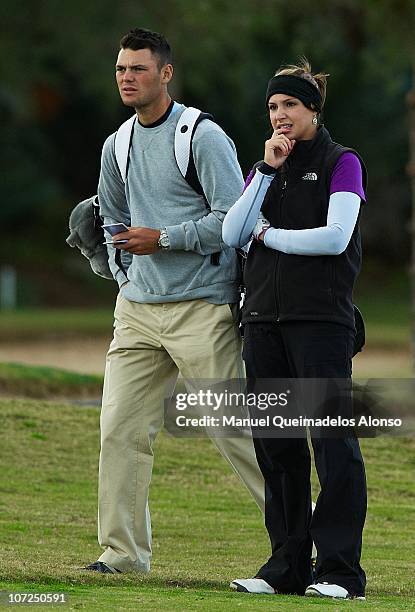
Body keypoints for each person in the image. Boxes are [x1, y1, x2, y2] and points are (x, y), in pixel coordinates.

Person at [84, 27, 265, 574]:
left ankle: (305, 538)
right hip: (137, 309)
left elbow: (233, 220)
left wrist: (161, 239)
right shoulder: (116, 143)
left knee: (235, 432)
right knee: (119, 430)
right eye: (120, 69)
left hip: (201, 307)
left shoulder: (202, 137)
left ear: (165, 74)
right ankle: (122, 556)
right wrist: (124, 272)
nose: (126, 77)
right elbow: (111, 220)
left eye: (138, 68)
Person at [222, 59, 367, 600]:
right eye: (273, 107)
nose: (280, 116)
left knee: (333, 445)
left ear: (312, 110)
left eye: (290, 106)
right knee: (276, 448)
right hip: (262, 322)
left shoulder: (341, 162)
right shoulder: (267, 167)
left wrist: (270, 234)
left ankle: (340, 572)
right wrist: (263, 173)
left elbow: (334, 238)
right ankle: (286, 566)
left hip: (321, 323)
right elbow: (234, 234)